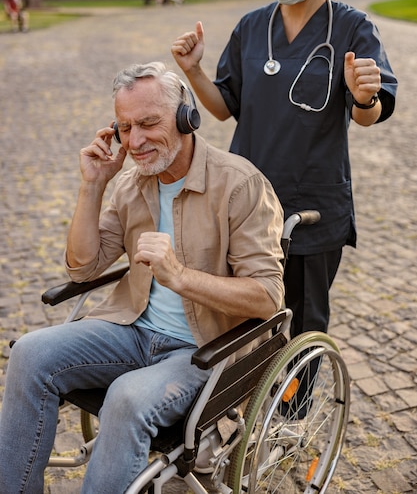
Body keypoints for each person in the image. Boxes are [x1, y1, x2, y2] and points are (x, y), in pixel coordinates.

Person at [0, 62, 285, 494]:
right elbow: (82, 267)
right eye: (126, 127)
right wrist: (93, 186)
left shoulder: (240, 185)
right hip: (130, 331)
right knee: (28, 354)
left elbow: (268, 297)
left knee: (127, 400)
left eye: (149, 123)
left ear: (186, 116)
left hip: (203, 351)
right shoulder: (131, 185)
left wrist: (181, 277)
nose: (135, 141)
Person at [171, 0, 398, 340]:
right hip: (244, 201)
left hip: (310, 203)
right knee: (239, 323)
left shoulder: (352, 28)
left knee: (300, 324)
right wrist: (193, 71)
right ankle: (247, 402)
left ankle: (298, 410)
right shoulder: (253, 27)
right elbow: (223, 108)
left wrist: (364, 95)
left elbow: (368, 114)